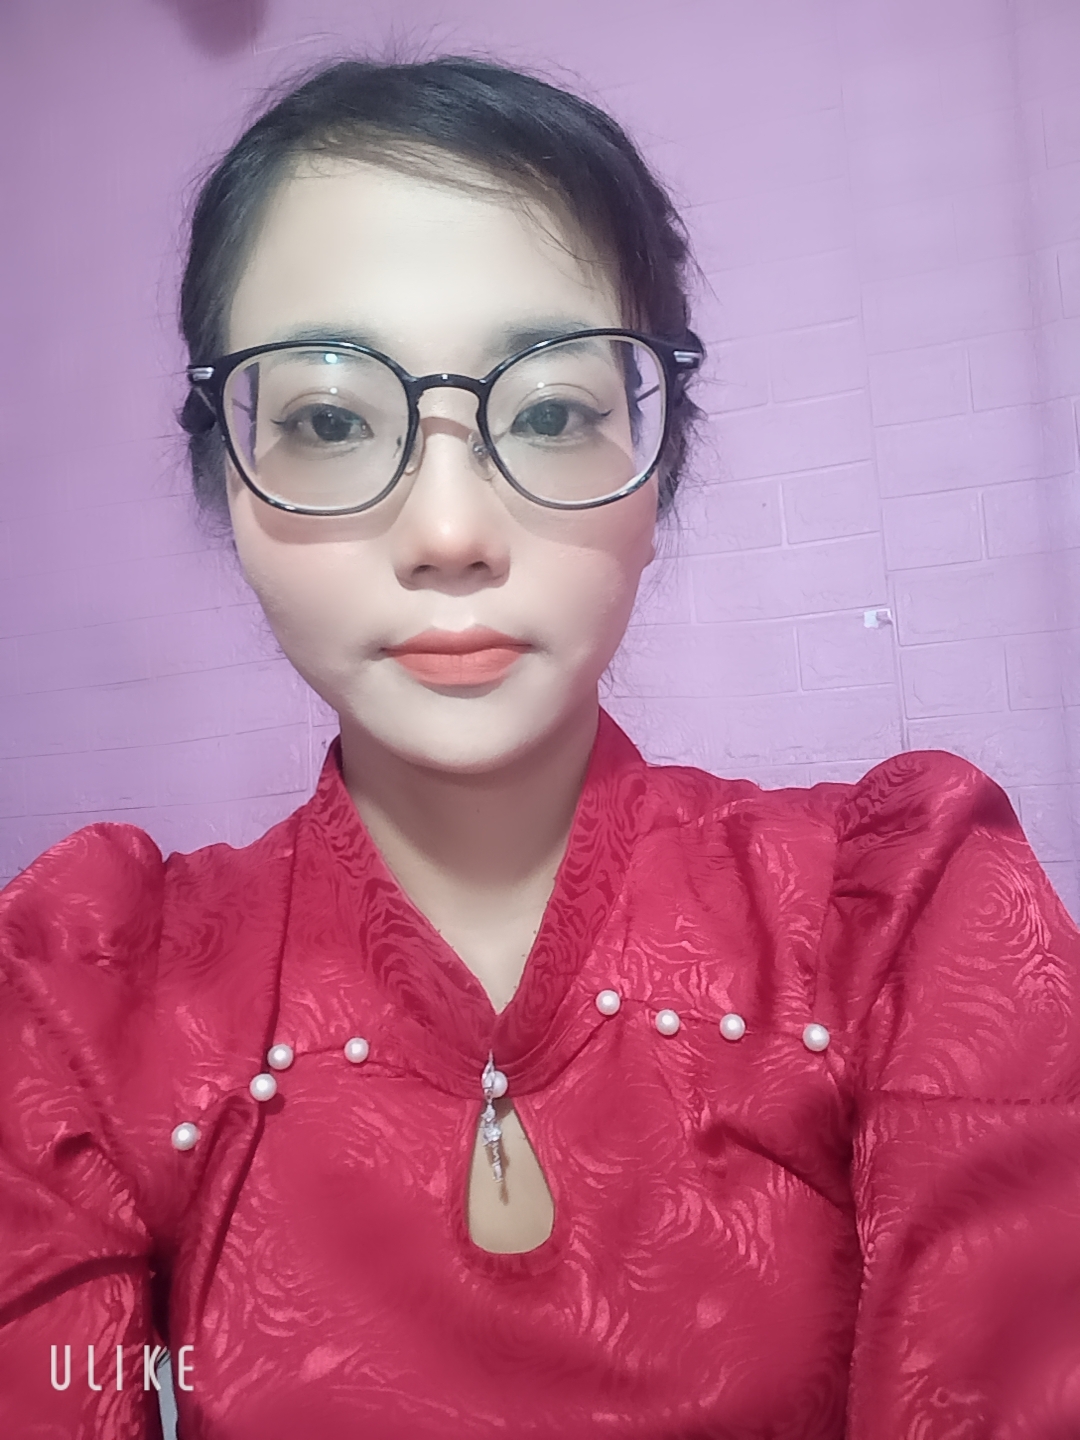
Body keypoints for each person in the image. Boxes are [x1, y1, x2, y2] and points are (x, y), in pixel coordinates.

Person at [1, 55, 1078, 1440]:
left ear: (658, 468)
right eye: (328, 420)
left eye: (553, 411)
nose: (450, 533)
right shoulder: (85, 997)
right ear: (225, 475)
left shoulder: (901, 919)